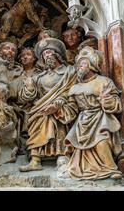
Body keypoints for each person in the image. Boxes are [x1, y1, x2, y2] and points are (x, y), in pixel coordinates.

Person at [18, 38, 78, 172]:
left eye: (49, 53)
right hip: (40, 109)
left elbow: (72, 90)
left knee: (56, 123)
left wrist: (58, 103)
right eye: (44, 54)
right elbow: (25, 98)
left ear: (57, 54)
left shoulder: (69, 72)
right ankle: (35, 160)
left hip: (61, 108)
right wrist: (28, 87)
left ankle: (62, 157)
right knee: (37, 118)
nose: (47, 56)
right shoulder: (39, 76)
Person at [65, 47, 123, 180]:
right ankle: (84, 170)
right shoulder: (74, 88)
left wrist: (106, 100)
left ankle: (110, 168)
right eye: (78, 65)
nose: (80, 67)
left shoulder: (104, 81)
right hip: (83, 121)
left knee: (101, 141)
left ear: (91, 65)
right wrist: (59, 111)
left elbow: (116, 102)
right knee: (80, 147)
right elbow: (72, 109)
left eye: (83, 64)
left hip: (100, 117)